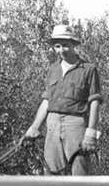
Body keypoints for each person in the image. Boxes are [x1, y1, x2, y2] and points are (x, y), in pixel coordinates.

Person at [23, 24, 103, 175]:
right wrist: (34, 128)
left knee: (79, 169)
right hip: (52, 123)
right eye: (57, 46)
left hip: (76, 123)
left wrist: (90, 132)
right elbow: (47, 101)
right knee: (51, 172)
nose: (61, 50)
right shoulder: (53, 69)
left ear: (73, 45)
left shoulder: (88, 69)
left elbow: (95, 102)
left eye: (66, 46)